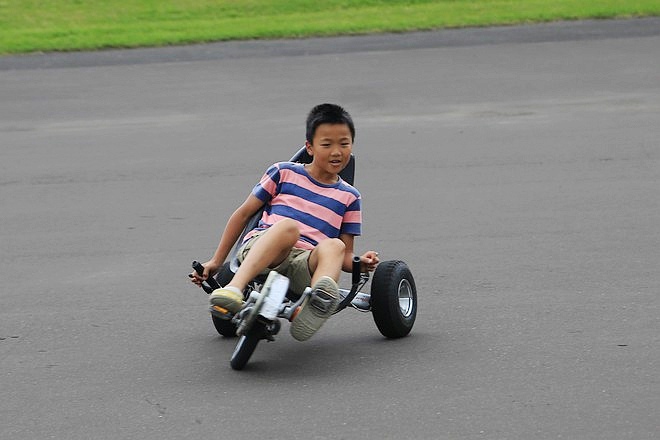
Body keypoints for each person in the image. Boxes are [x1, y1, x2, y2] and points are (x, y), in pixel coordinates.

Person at [190, 103, 379, 341]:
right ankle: (234, 289)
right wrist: (217, 261)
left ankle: (315, 305)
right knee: (289, 227)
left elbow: (344, 255)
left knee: (335, 246)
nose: (336, 152)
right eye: (326, 144)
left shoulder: (350, 196)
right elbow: (243, 214)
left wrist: (360, 264)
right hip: (267, 246)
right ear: (309, 147)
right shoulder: (282, 173)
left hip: (304, 264)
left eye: (344, 143)